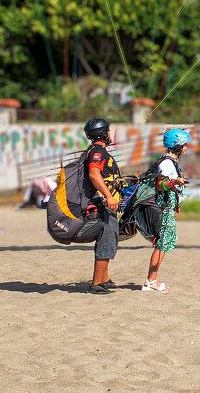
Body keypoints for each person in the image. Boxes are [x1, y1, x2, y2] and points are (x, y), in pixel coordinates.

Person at [143, 128, 190, 293]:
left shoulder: (170, 162)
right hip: (163, 209)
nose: (186, 148)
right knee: (162, 244)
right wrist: (175, 182)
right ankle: (151, 281)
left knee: (164, 243)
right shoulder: (166, 164)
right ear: (176, 145)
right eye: (184, 145)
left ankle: (152, 279)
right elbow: (160, 185)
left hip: (168, 208)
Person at [84, 118, 123, 295]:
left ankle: (104, 279)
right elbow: (94, 174)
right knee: (106, 240)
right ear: (104, 133)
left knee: (109, 238)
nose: (110, 134)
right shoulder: (97, 151)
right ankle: (96, 283)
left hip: (105, 204)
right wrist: (108, 197)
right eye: (108, 131)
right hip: (101, 205)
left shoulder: (98, 151)